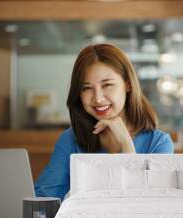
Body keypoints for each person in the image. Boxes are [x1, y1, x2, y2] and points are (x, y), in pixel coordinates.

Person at [35, 43, 174, 200]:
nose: (98, 98)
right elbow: (44, 200)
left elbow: (151, 208)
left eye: (107, 85)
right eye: (86, 88)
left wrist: (126, 144)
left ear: (127, 84)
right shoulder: (70, 140)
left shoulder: (158, 144)